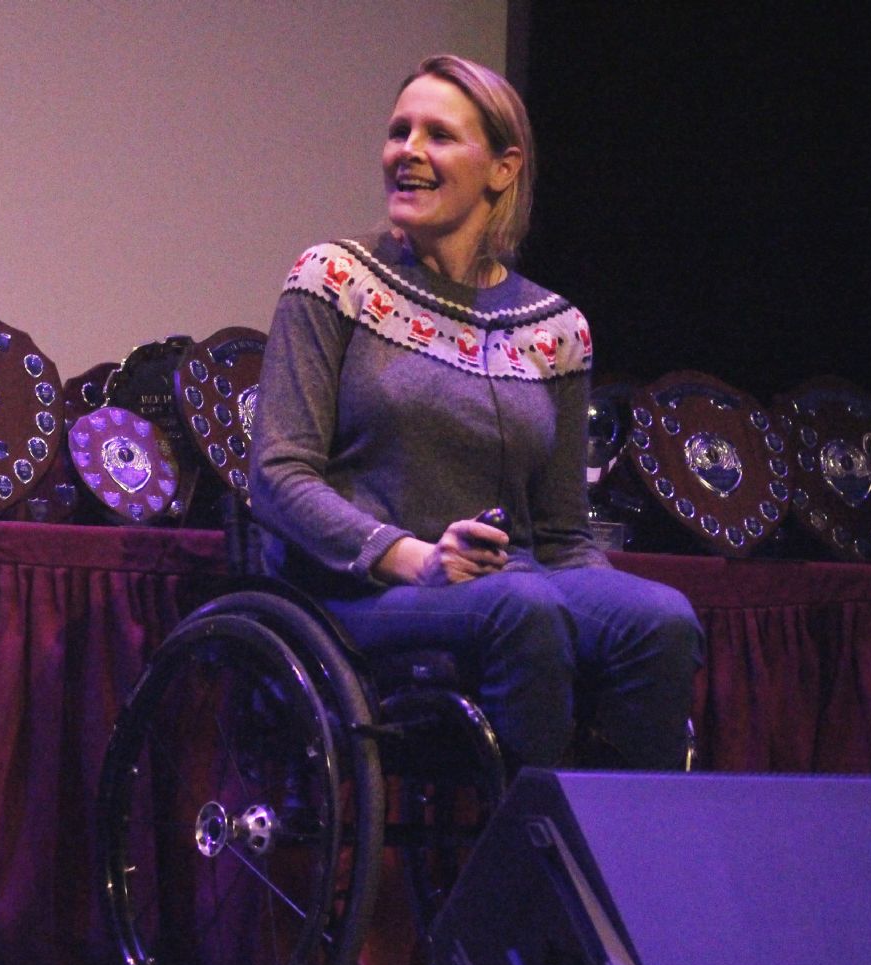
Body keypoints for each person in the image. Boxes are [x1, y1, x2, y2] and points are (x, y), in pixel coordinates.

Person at [251, 54, 703, 772]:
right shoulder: (334, 278)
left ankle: (621, 833)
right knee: (524, 608)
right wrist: (414, 557)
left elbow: (560, 535)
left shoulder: (556, 327)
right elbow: (279, 475)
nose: (408, 152)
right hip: (358, 592)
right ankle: (528, 836)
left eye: (438, 135)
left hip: (514, 583)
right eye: (399, 131)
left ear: (502, 168)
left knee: (662, 620)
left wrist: (604, 611)